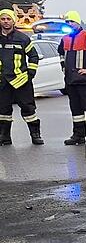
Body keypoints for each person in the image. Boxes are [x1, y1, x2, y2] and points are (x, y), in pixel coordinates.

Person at [58, 11, 86, 146]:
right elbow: (61, 54)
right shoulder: (65, 39)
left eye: (71, 21)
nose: (69, 24)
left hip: (84, 80)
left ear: (77, 22)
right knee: (76, 109)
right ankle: (78, 135)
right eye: (67, 22)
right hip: (70, 80)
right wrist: (64, 68)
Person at [0, 8, 43, 146]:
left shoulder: (23, 38)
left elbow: (34, 56)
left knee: (28, 109)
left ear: (13, 21)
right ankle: (4, 137)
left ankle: (35, 135)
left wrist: (30, 73)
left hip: (21, 80)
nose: (6, 22)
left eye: (8, 19)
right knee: (3, 111)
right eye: (3, 19)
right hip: (2, 81)